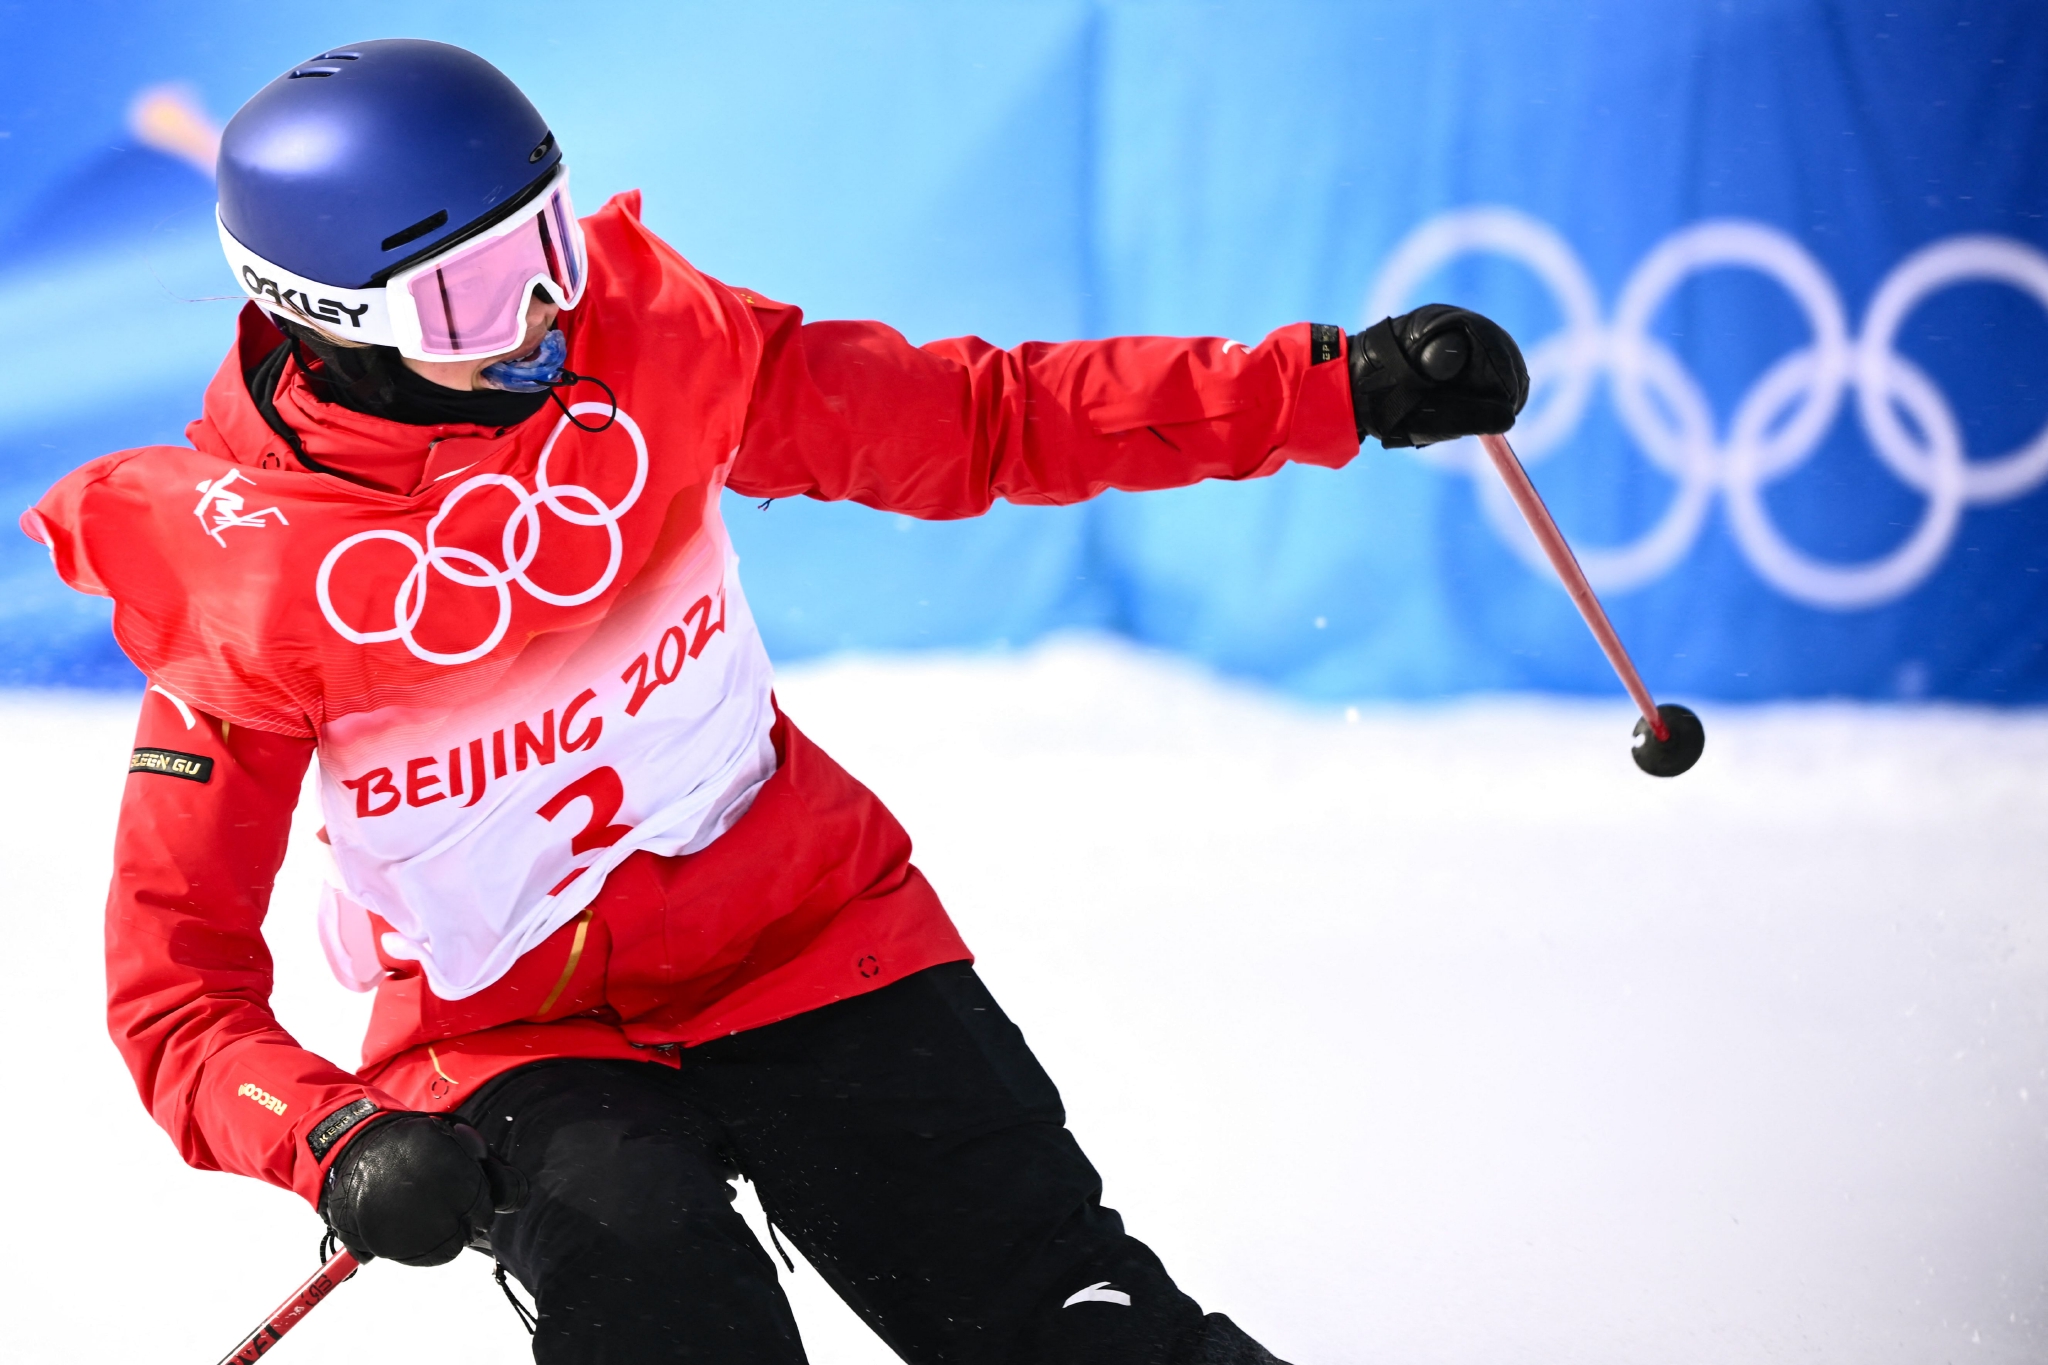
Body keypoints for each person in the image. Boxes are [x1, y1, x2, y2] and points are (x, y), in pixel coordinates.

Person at [28, 39, 1526, 1365]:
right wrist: (337, 1138)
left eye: (549, 237)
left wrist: (1332, 388)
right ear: (331, 313)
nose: (549, 308)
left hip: (812, 937)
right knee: (669, 1309)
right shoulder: (246, 582)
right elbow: (179, 993)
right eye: (480, 290)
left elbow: (978, 418)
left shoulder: (648, 342)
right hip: (519, 1045)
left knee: (1066, 1319)